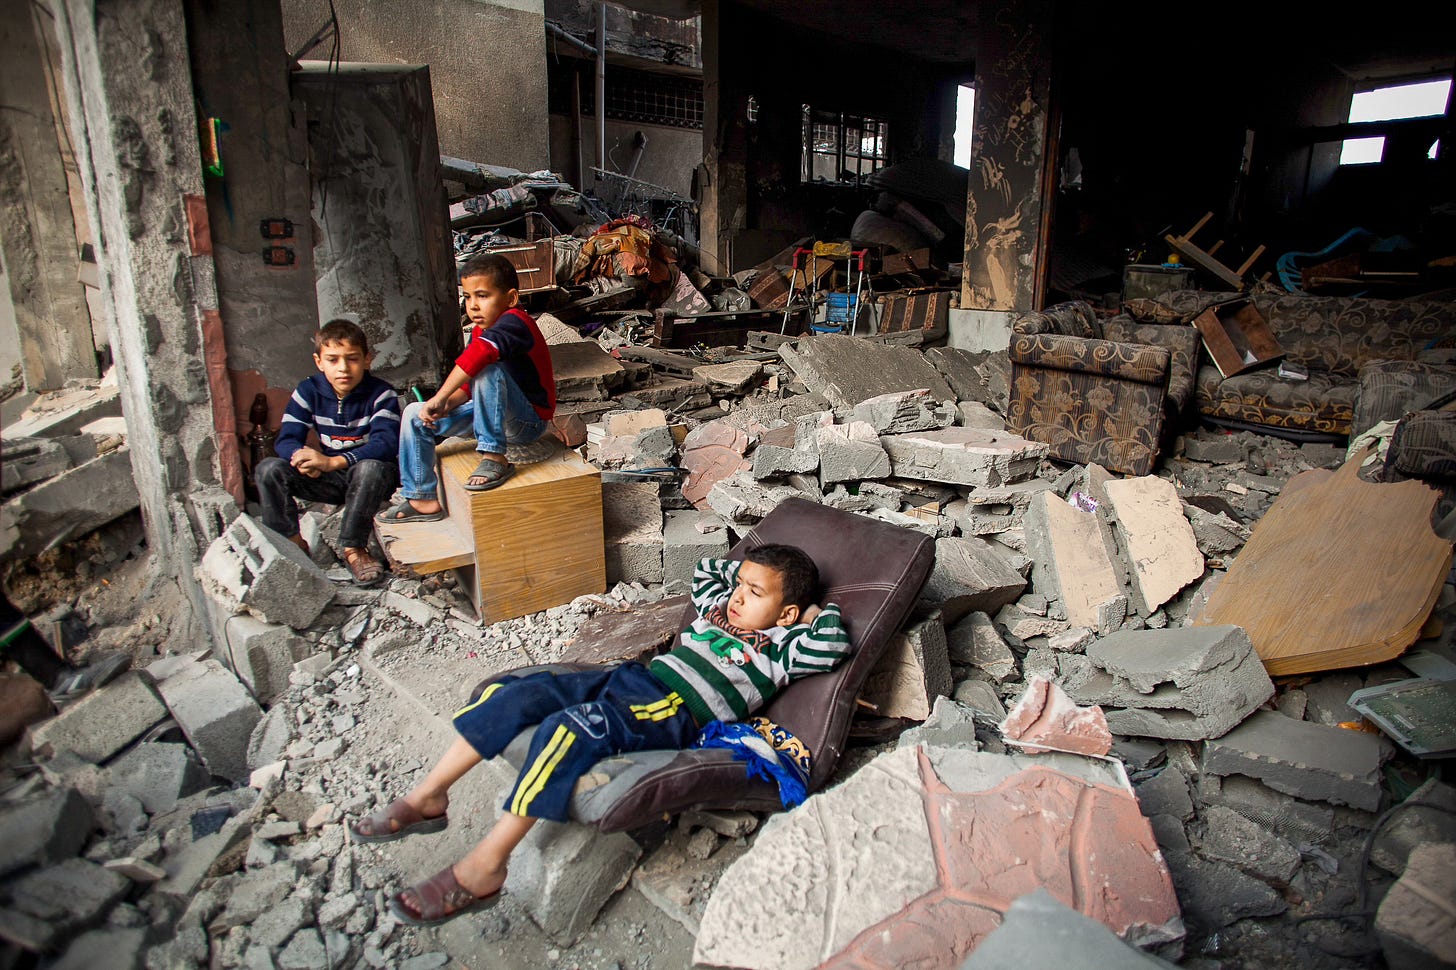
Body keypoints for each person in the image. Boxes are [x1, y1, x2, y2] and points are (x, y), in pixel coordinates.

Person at [349, 544, 848, 926]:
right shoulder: (718, 608)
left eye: (755, 594)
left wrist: (806, 614)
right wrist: (745, 583)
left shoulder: (782, 649)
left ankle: (485, 867)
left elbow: (833, 641)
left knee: (570, 730)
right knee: (515, 694)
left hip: (672, 710)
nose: (738, 597)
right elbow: (707, 570)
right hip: (630, 677)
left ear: (786, 614)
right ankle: (429, 796)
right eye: (740, 586)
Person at [375, 252, 556, 525]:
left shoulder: (517, 322)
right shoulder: (481, 331)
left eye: (483, 296)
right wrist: (446, 405)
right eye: (468, 297)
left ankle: (494, 456)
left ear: (511, 298)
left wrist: (441, 396)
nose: (473, 306)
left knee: (487, 368)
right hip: (492, 415)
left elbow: (480, 359)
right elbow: (471, 389)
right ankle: (421, 498)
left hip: (527, 422)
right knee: (414, 414)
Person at [255, 319, 401, 587]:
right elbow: (287, 439)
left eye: (352, 359)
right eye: (333, 360)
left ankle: (354, 548)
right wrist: (302, 459)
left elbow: (386, 443)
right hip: (331, 480)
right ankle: (292, 544)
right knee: (269, 469)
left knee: (371, 467)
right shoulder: (308, 391)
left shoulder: (381, 394)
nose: (343, 368)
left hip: (372, 480)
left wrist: (332, 461)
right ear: (319, 362)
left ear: (367, 359)